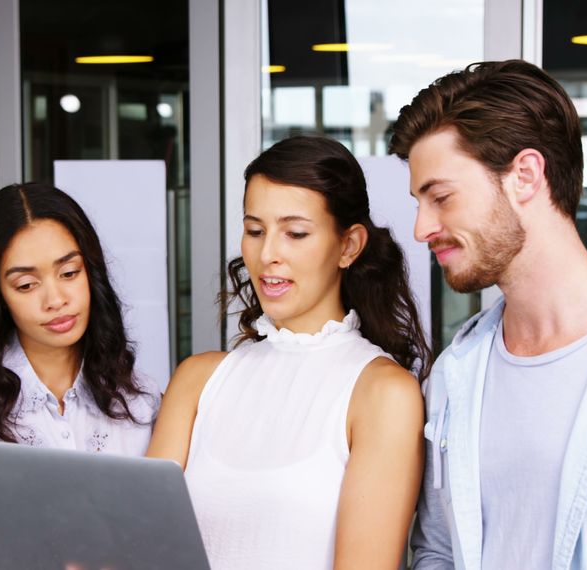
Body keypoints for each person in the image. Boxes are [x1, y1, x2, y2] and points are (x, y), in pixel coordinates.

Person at [390, 59, 587, 569]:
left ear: (526, 176)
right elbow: (439, 551)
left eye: (441, 197)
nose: (423, 227)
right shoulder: (456, 375)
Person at [147, 136, 429, 569]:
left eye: (295, 233)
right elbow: (140, 547)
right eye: (255, 230)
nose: (267, 254)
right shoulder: (198, 380)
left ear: (349, 246)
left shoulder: (382, 393)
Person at [0, 183, 161, 570]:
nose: (55, 299)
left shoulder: (140, 400)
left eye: (69, 272)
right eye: (26, 284)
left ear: (91, 274)